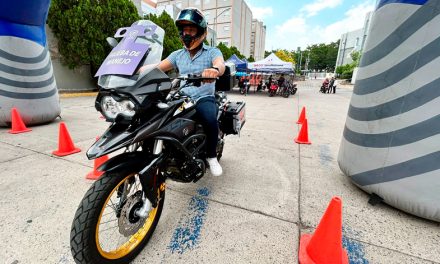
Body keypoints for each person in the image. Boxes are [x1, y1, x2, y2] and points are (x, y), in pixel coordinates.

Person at [141, 8, 225, 176]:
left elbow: (220, 64)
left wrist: (214, 70)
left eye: (191, 30)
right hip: (182, 96)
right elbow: (158, 67)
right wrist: (137, 69)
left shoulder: (212, 52)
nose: (187, 34)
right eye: (184, 30)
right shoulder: (178, 55)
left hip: (203, 97)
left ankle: (211, 156)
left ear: (201, 32)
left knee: (209, 119)